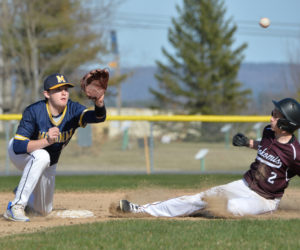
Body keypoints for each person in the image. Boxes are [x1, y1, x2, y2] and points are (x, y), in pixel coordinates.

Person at [119, 98, 300, 217]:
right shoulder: (268, 132)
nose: (271, 117)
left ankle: (210, 212)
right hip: (244, 185)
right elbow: (266, 148)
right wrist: (247, 143)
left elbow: (283, 157)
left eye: (275, 116)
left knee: (232, 208)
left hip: (264, 200)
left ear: (286, 123)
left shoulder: (294, 153)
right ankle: (143, 210)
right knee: (200, 198)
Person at [4, 72, 106, 222]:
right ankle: (16, 207)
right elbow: (18, 146)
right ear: (47, 94)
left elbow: (99, 117)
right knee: (42, 155)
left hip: (49, 161)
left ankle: (23, 192)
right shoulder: (34, 111)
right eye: (58, 89)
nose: (64, 92)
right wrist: (46, 141)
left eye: (66, 88)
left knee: (43, 210)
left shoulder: (73, 110)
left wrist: (99, 103)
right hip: (21, 154)